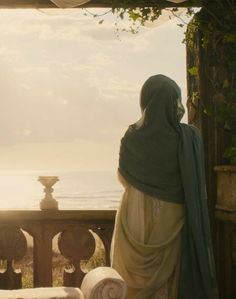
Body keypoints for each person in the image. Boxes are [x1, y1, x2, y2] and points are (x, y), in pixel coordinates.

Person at [110, 75, 218, 299]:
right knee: (171, 284)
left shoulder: (131, 137)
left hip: (135, 218)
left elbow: (123, 177)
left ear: (146, 100)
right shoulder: (188, 138)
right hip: (173, 218)